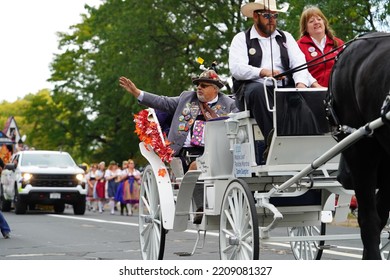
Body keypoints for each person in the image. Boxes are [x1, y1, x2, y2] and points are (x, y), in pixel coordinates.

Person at [119, 68, 238, 223]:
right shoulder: (186, 98)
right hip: (186, 153)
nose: (198, 88)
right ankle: (201, 207)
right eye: (197, 85)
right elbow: (162, 102)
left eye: (203, 85)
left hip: (218, 151)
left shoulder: (229, 104)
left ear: (215, 89)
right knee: (196, 166)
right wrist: (137, 92)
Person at [229, 0, 322, 144]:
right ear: (255, 16)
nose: (272, 20)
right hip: (253, 90)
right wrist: (262, 72)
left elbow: (299, 63)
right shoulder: (241, 39)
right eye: (267, 15)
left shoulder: (286, 37)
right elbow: (236, 68)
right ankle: (273, 142)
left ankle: (312, 144)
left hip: (284, 89)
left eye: (275, 16)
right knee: (258, 90)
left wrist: (301, 84)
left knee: (304, 99)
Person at [297, 6, 344, 87]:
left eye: (319, 19)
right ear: (306, 28)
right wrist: (316, 86)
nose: (316, 22)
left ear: (324, 23)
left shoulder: (338, 43)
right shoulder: (299, 46)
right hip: (312, 93)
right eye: (311, 21)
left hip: (337, 92)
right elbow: (300, 72)